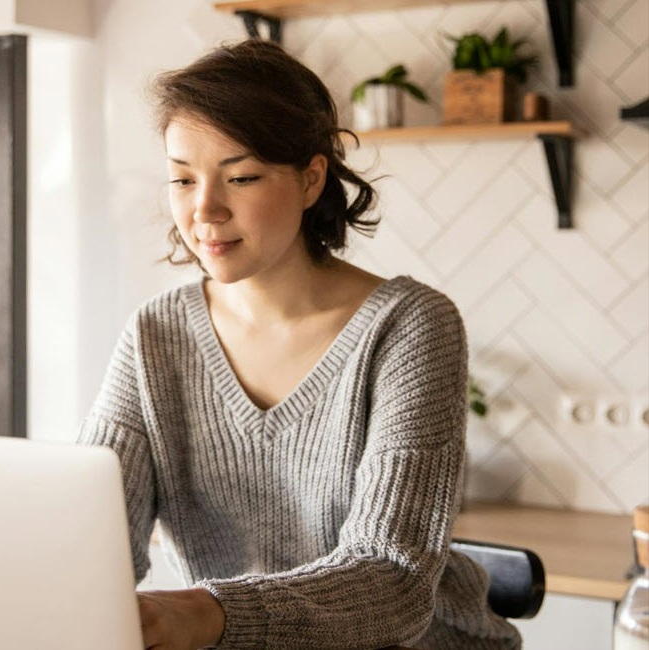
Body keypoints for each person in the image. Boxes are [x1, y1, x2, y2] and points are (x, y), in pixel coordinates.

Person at [77, 39, 521, 650]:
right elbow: (90, 540)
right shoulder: (155, 336)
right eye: (182, 178)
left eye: (241, 177)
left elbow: (391, 578)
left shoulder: (410, 327)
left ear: (311, 179)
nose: (204, 209)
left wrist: (211, 613)